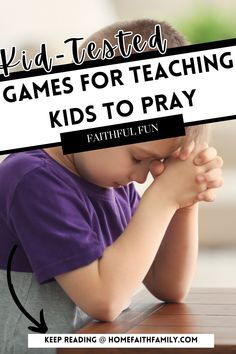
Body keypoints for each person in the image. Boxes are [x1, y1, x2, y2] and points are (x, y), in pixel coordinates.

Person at [0, 20, 223, 354]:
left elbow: (167, 286)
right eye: (138, 157)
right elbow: (104, 299)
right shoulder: (31, 178)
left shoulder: (110, 182)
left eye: (157, 163)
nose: (144, 177)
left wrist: (183, 200)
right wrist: (162, 198)